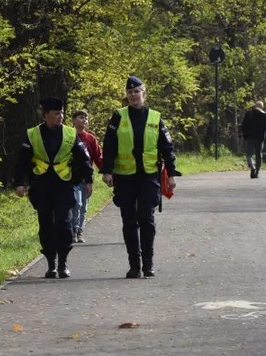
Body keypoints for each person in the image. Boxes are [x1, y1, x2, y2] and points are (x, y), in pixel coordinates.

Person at [102, 76, 180, 279]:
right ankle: (134, 265)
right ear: (126, 96)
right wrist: (107, 170)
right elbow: (109, 145)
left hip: (148, 176)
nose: (133, 95)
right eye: (130, 93)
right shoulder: (118, 116)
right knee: (129, 221)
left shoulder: (155, 117)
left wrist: (171, 173)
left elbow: (167, 147)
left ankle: (148, 263)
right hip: (125, 177)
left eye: (137, 92)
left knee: (146, 218)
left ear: (144, 94)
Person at [15, 97, 93, 279]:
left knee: (64, 224)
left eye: (62, 113)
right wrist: (19, 183)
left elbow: (83, 158)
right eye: (57, 113)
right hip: (41, 185)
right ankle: (51, 263)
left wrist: (88, 180)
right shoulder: (32, 134)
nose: (61, 116)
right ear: (46, 115)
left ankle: (63, 263)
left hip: (64, 185)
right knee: (46, 225)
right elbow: (22, 161)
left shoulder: (70, 134)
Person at [69, 109, 102, 243]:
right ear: (74, 120)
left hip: (86, 177)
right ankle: (73, 229)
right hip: (71, 176)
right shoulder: (68, 136)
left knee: (84, 207)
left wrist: (107, 172)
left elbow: (98, 156)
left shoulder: (90, 138)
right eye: (81, 117)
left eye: (86, 118)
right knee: (76, 203)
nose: (84, 120)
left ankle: (80, 230)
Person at [240, 100, 266, 179]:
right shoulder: (264, 115)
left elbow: (243, 125)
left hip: (249, 137)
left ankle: (252, 166)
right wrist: (265, 138)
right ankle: (257, 171)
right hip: (259, 138)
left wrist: (244, 135)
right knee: (258, 155)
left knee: (248, 154)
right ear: (262, 107)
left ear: (255, 106)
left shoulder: (248, 113)